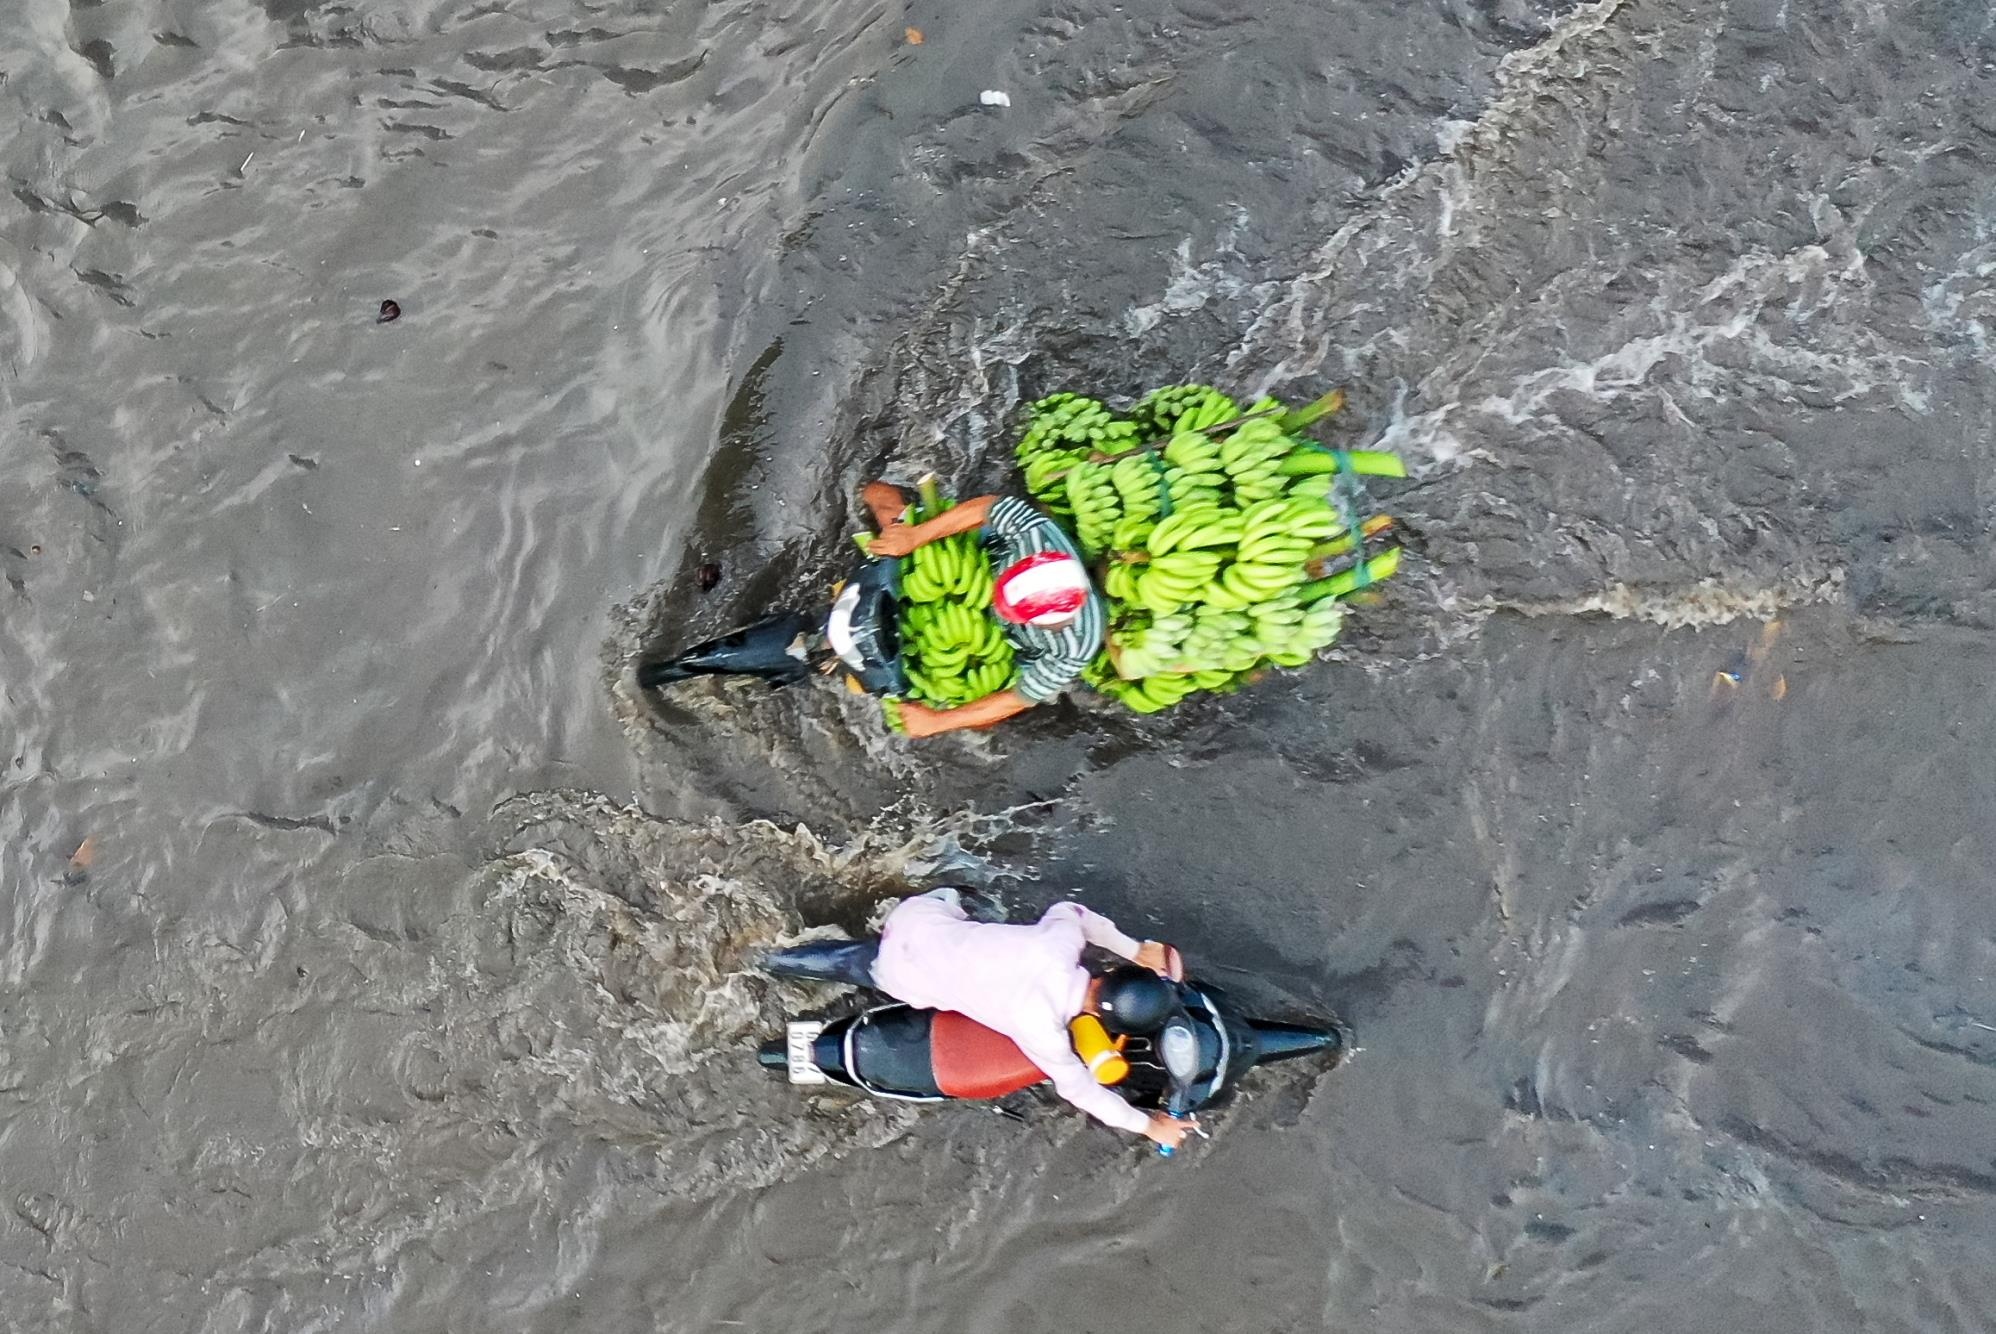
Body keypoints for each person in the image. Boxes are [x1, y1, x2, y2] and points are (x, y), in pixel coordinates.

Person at [869, 889, 1195, 1151]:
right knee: (896, 976)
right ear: (1100, 1019)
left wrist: (1135, 950)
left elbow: (1072, 911)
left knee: (959, 901)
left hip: (915, 917)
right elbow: (1083, 1092)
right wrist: (1152, 1127)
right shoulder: (1042, 1031)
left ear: (1110, 972)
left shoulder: (1059, 944)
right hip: (897, 980)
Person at [861, 481, 1106, 739]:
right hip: (976, 571)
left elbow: (1018, 698)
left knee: (980, 721)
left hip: (1003, 646)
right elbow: (990, 507)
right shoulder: (1038, 539)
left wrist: (936, 721)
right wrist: (916, 535)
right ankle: (870, 491)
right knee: (891, 518)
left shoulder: (1076, 646)